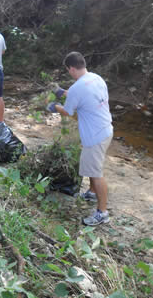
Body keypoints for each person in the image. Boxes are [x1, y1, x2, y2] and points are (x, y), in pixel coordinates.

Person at [46, 52, 113, 226]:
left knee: (96, 173)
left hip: (95, 136)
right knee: (92, 167)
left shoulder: (78, 87)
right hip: (106, 129)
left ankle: (102, 213)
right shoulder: (95, 78)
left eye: (68, 70)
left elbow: (68, 112)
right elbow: (82, 95)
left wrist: (55, 107)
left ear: (72, 68)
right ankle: (91, 193)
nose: (69, 73)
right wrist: (61, 92)